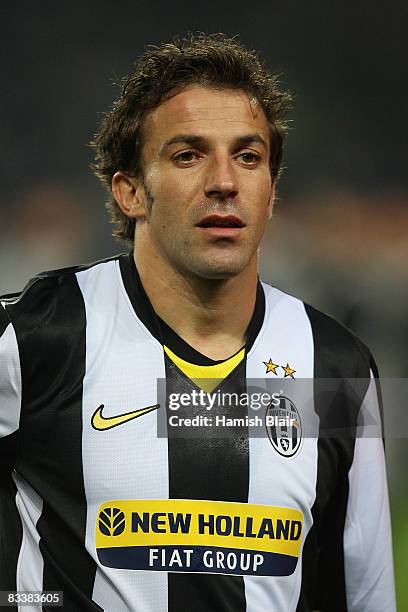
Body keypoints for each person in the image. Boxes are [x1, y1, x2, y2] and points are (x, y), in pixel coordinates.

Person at [0, 33, 395, 611]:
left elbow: (365, 593)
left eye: (248, 156)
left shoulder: (335, 365)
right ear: (131, 191)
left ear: (271, 190)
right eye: (188, 155)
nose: (224, 182)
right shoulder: (38, 337)